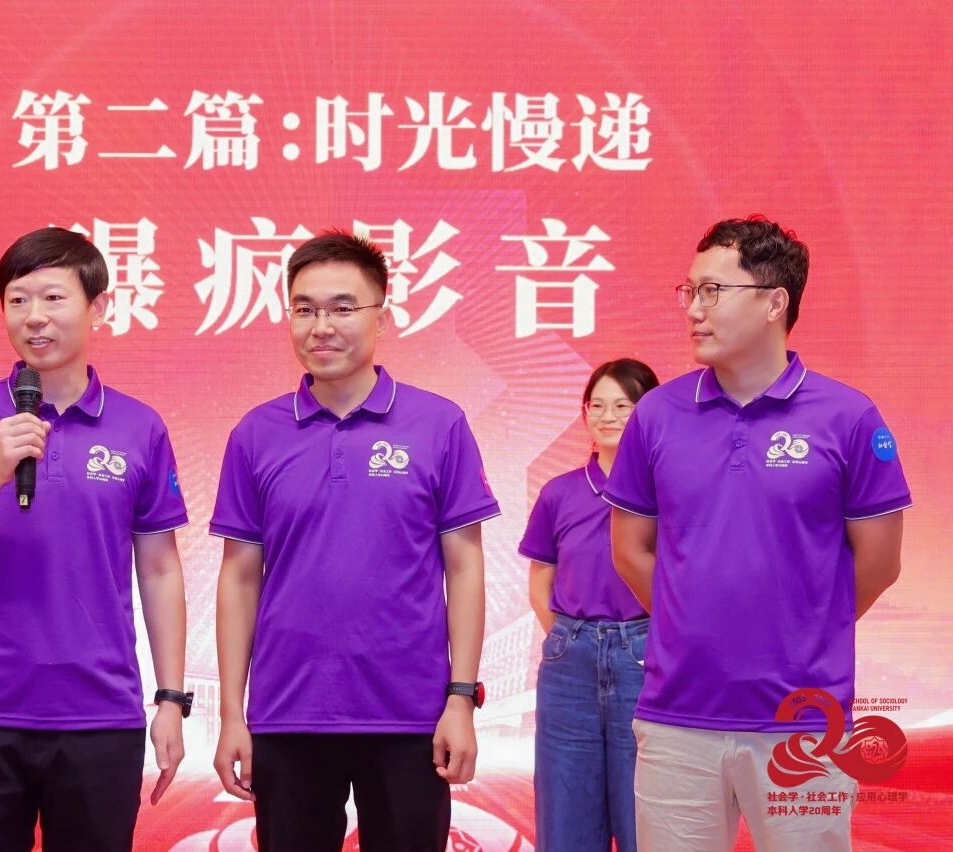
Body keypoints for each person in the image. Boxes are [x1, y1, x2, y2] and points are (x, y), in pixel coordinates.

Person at [606, 216, 911, 850]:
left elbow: (880, 563)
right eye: (689, 291)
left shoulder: (849, 417)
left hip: (805, 725)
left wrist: (801, 628)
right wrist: (694, 623)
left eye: (713, 291)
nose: (694, 309)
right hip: (677, 718)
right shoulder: (657, 415)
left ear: (775, 302)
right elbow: (630, 549)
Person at [0, 227, 190, 852]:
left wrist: (170, 697)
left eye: (54, 298)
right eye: (18, 300)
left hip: (99, 713)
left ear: (98, 307)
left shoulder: (139, 426)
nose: (34, 316)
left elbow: (160, 570)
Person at [211, 230, 500, 851]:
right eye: (305, 309)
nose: (322, 327)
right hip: (289, 714)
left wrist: (460, 699)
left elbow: (464, 567)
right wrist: (233, 713)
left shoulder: (438, 424)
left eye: (343, 308)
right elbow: (239, 577)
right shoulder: (256, 434)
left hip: (411, 716)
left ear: (381, 317)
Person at [521, 358, 659, 851]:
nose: (607, 416)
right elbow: (541, 578)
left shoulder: (669, 491)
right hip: (570, 663)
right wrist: (567, 637)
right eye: (596, 406)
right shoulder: (559, 493)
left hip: (644, 655)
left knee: (647, 810)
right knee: (566, 810)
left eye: (623, 406)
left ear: (649, 414)